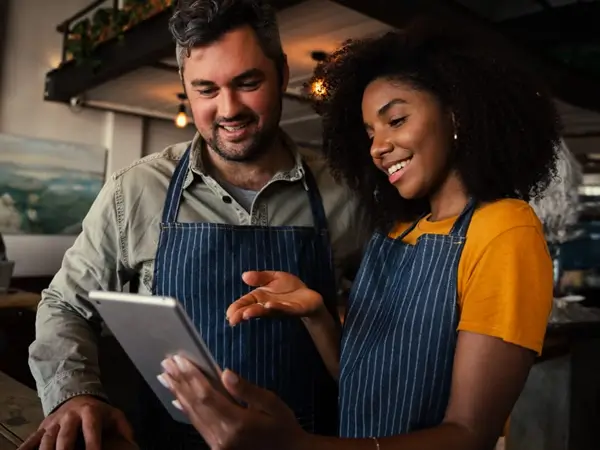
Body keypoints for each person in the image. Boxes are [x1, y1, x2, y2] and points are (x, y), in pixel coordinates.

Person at [156, 26, 561, 450]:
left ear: (456, 113)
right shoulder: (397, 230)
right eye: (370, 133)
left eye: (396, 120)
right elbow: (360, 382)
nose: (378, 148)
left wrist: (298, 446)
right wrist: (315, 314)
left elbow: (468, 435)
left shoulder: (504, 230)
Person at [22, 0, 367, 449]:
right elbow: (65, 305)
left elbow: (385, 331)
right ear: (185, 86)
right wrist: (75, 395)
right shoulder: (136, 190)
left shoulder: (347, 193)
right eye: (206, 89)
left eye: (248, 82)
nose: (229, 109)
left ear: (282, 74)